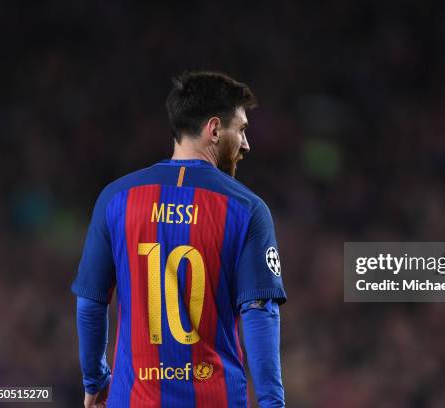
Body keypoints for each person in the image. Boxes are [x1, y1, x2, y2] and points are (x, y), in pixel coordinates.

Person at [71, 71, 287, 407]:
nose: (246, 144)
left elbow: (90, 304)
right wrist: (273, 404)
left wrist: (96, 380)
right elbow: (261, 314)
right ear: (214, 129)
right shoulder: (247, 209)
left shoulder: (116, 199)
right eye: (241, 129)